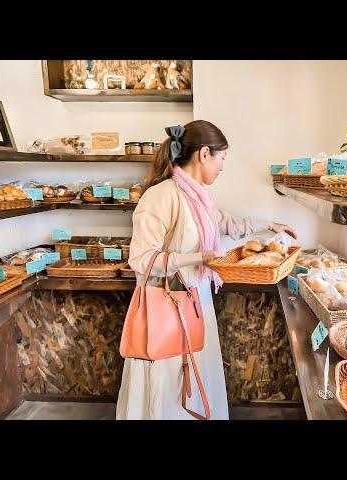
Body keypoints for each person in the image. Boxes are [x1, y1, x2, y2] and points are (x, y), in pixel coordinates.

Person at [116, 120, 297, 420]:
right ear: (203, 155)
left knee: (196, 378)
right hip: (168, 308)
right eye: (222, 158)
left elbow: (225, 222)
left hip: (196, 303)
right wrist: (197, 258)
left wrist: (269, 225)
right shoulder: (162, 196)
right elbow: (141, 259)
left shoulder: (197, 198)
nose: (223, 166)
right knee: (170, 384)